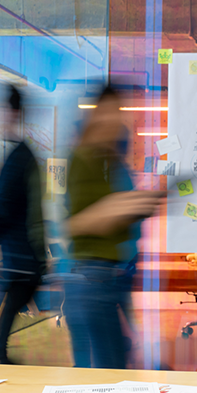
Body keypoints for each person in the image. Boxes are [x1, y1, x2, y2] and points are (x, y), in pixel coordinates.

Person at [65, 86, 164, 368]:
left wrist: (143, 203)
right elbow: (77, 222)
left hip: (116, 277)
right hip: (91, 280)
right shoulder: (83, 159)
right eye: (109, 111)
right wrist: (125, 206)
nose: (115, 120)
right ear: (95, 115)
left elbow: (121, 214)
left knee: (115, 368)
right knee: (101, 375)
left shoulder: (112, 162)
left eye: (118, 112)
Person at [0, 85, 46, 365]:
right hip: (22, 255)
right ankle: (0, 355)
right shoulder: (22, 156)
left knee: (12, 305)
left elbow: (7, 211)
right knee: (11, 307)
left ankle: (0, 355)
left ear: (12, 113)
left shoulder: (18, 159)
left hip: (21, 255)